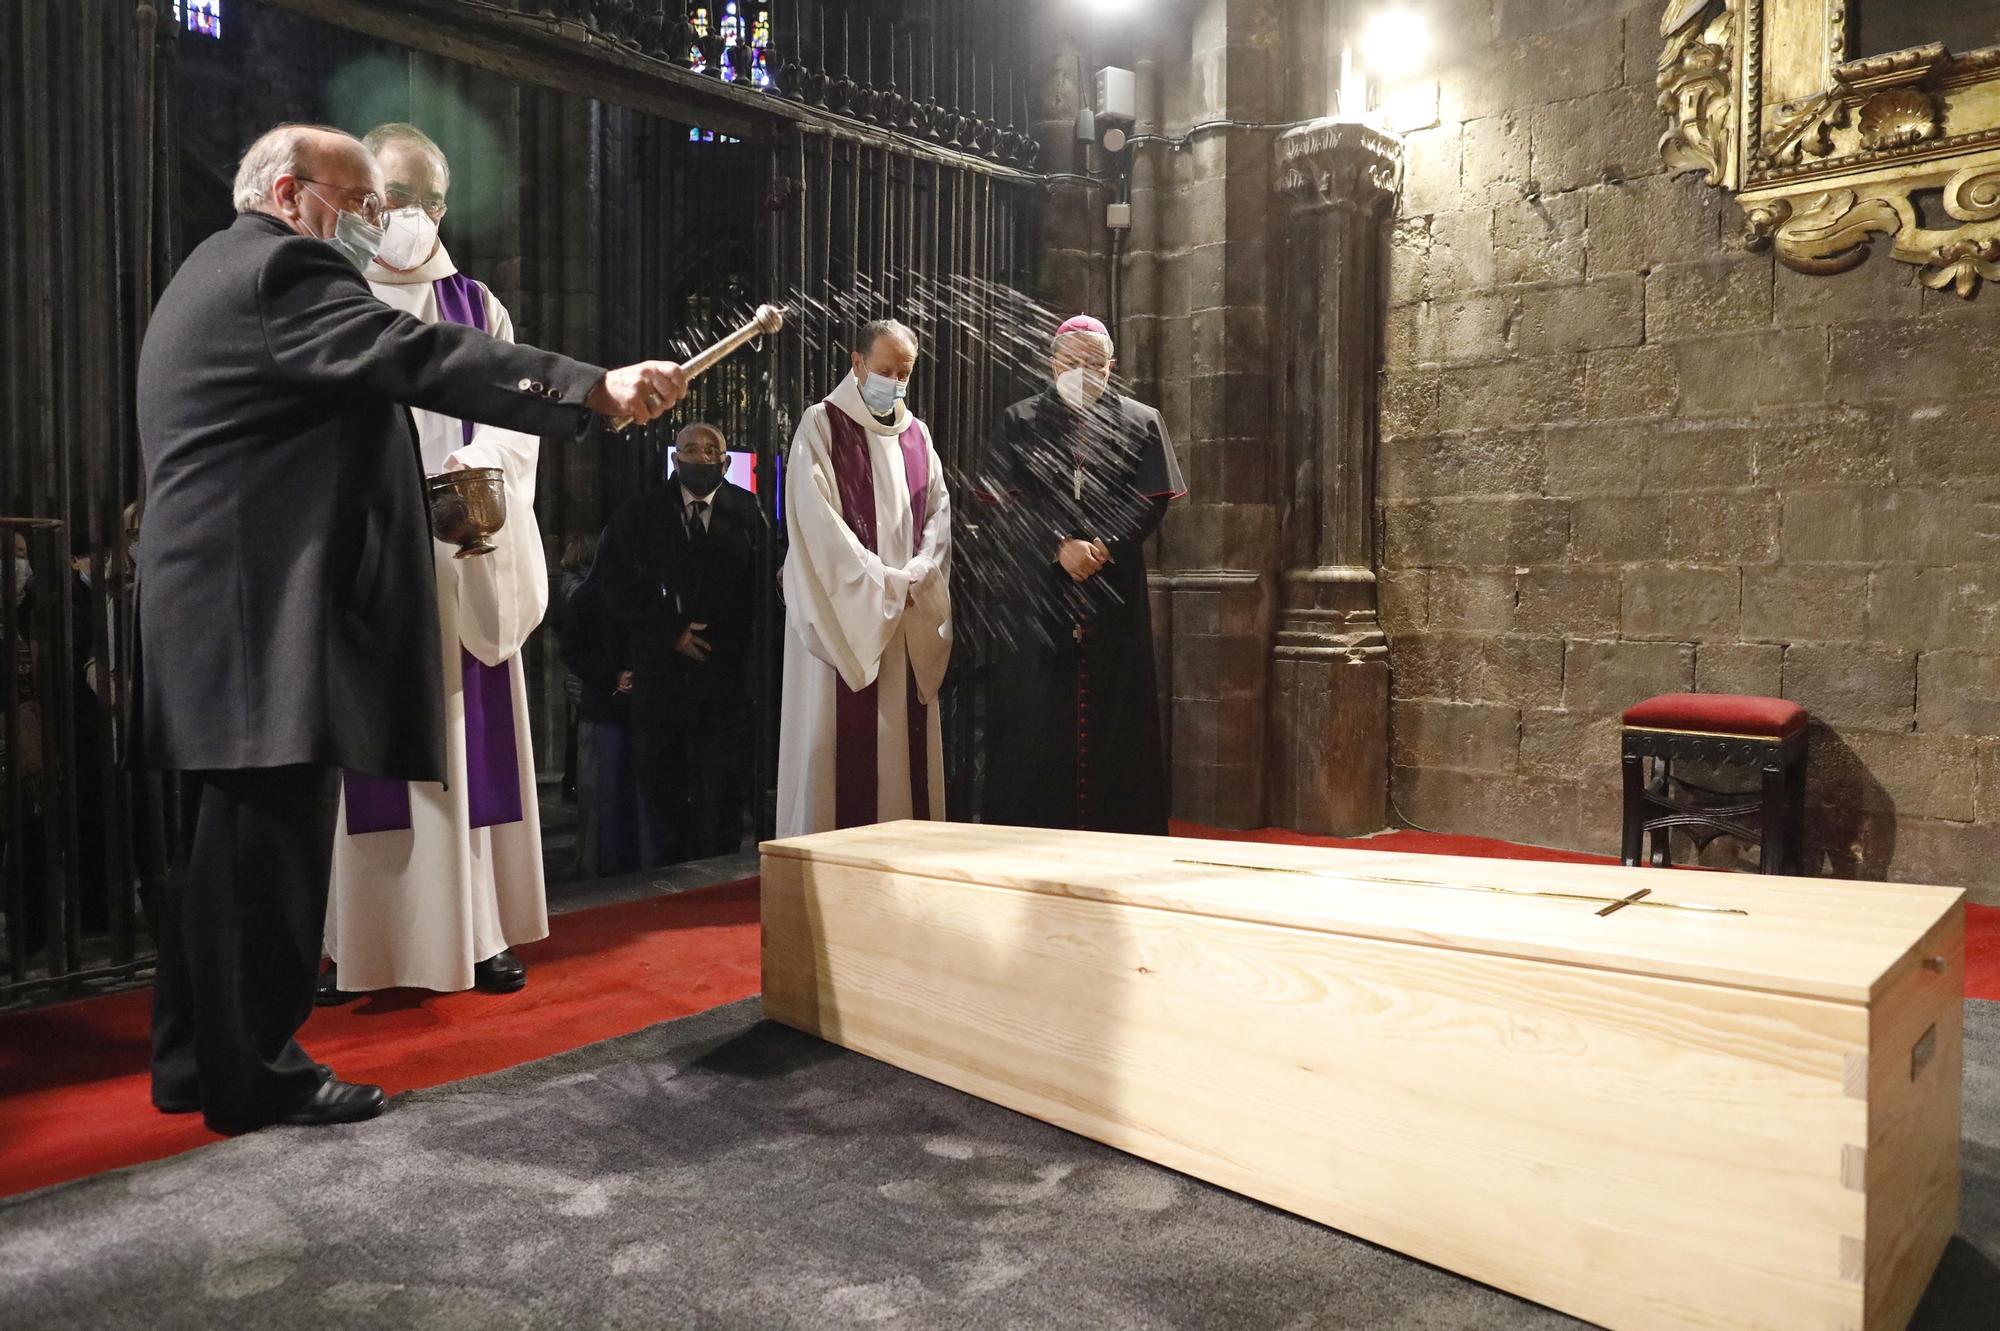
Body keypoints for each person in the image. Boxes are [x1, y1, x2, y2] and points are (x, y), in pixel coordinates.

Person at [134, 122, 686, 1134]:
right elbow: (418, 351)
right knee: (270, 858)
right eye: (358, 204)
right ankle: (258, 1073)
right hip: (265, 616)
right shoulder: (283, 272)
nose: (372, 225)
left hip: (219, 610)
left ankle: (192, 1060)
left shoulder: (208, 271)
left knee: (219, 856)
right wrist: (591, 387)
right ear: (295, 195)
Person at [319, 124, 551, 1004]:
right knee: (365, 755)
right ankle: (356, 945)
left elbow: (515, 414)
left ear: (444, 208)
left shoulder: (477, 306)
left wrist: (471, 482)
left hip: (459, 550)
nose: (401, 216)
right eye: (386, 198)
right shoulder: (331, 292)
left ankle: (478, 932)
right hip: (365, 558)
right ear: (362, 201)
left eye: (419, 200)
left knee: (460, 742)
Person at [980, 315, 1185, 834]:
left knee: (1117, 714)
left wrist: (1103, 546)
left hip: (1113, 589)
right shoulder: (1020, 420)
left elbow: (1151, 499)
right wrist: (1057, 545)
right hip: (1040, 591)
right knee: (1037, 709)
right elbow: (1005, 502)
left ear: (1111, 367)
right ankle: (1029, 830)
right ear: (1052, 363)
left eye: (1093, 363)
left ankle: (1120, 832)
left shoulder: (1142, 421)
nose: (1081, 371)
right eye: (1071, 362)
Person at [776, 320, 951, 837]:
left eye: (904, 372)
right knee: (837, 752)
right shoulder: (821, 425)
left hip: (906, 611)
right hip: (847, 616)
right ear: (856, 364)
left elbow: (940, 513)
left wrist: (919, 571)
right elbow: (814, 520)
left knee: (903, 751)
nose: (895, 382)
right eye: (884, 370)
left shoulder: (918, 436)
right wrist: (879, 582)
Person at [595, 423, 763, 861]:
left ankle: (716, 878)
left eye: (712, 450)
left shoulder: (748, 512)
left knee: (722, 791)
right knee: (664, 790)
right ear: (675, 459)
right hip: (662, 678)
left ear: (726, 463)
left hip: (725, 680)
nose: (702, 457)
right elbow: (615, 587)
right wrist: (670, 634)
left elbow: (761, 592)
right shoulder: (639, 514)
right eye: (692, 448)